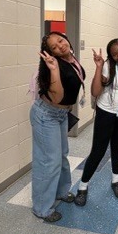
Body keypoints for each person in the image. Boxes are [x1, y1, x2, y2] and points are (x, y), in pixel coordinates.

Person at [74, 38, 118, 206]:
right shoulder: (107, 66)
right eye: (114, 53)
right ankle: (82, 187)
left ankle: (116, 180)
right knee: (98, 151)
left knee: (117, 146)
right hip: (106, 112)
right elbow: (95, 91)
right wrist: (99, 67)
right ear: (110, 56)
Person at [30, 31, 86, 222]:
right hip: (46, 115)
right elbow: (57, 97)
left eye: (61, 40)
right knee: (48, 162)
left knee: (61, 156)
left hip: (61, 115)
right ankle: (41, 208)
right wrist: (53, 69)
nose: (60, 46)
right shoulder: (54, 65)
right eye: (54, 47)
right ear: (51, 53)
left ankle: (61, 191)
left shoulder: (71, 58)